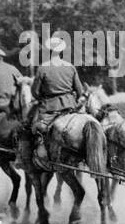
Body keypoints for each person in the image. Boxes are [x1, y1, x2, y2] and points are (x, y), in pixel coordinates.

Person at [28, 35, 85, 164]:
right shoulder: (70, 67)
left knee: (33, 129)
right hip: (71, 106)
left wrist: (41, 96)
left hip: (50, 108)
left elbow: (35, 92)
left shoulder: (43, 68)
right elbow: (80, 91)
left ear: (48, 51)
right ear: (61, 51)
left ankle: (36, 158)